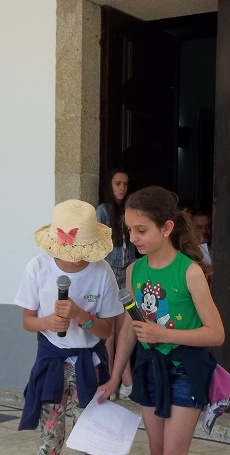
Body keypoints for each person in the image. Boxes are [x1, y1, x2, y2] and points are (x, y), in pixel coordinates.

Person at [96, 186, 225, 455]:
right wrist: (115, 376)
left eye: (141, 230)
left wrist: (164, 334)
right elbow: (131, 329)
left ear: (166, 228)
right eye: (129, 230)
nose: (132, 238)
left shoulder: (190, 272)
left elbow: (216, 333)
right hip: (151, 370)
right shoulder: (134, 271)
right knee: (155, 453)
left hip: (186, 370)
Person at [15, 199, 124, 455]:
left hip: (88, 367)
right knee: (50, 441)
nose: (71, 256)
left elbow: (107, 330)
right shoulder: (38, 268)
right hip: (52, 364)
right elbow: (27, 320)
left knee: (88, 443)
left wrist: (81, 315)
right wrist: (48, 322)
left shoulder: (101, 272)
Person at [95, 167, 137, 399]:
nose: (122, 188)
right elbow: (97, 246)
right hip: (109, 274)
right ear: (109, 185)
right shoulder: (102, 211)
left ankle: (125, 381)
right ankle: (111, 379)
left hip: (126, 274)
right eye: (118, 183)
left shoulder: (128, 211)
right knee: (110, 332)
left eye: (125, 184)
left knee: (124, 329)